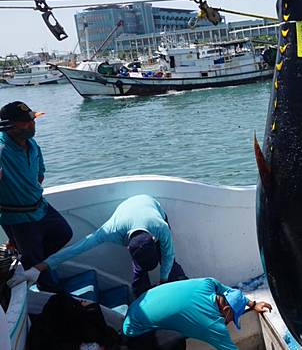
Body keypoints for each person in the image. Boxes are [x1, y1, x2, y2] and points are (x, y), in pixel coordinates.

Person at [10, 194, 187, 297]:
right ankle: (143, 300)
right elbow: (76, 249)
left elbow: (169, 254)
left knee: (169, 262)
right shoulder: (109, 231)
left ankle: (184, 288)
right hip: (129, 213)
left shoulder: (161, 227)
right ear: (127, 249)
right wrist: (37, 269)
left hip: (151, 206)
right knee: (139, 272)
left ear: (154, 238)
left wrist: (163, 280)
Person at [0, 101, 72, 291]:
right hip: (19, 218)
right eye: (26, 122)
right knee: (39, 265)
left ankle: (32, 262)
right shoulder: (1, 150)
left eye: (33, 120)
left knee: (64, 233)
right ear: (10, 126)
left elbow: (39, 174)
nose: (32, 124)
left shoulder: (32, 144)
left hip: (41, 207)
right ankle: (52, 298)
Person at [122, 277, 272, 349]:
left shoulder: (207, 283)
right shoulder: (212, 325)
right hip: (136, 333)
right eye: (233, 318)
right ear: (226, 310)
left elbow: (228, 291)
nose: (230, 322)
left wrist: (252, 304)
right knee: (177, 343)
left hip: (137, 306)